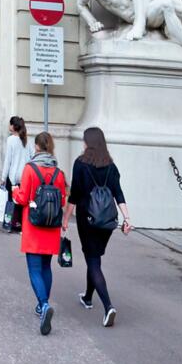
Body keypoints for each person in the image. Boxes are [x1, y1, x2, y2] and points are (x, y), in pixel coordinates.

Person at [62, 127, 133, 328]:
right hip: (108, 221)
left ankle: (108, 306)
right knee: (94, 257)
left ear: (88, 143)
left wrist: (66, 218)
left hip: (88, 218)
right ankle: (87, 297)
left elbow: (74, 195)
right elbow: (119, 194)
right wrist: (127, 218)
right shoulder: (110, 166)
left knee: (93, 261)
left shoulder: (80, 164)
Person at [12, 132, 67, 335]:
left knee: (34, 268)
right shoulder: (58, 173)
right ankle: (42, 305)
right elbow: (61, 200)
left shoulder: (30, 169)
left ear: (36, 147)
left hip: (33, 225)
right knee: (46, 267)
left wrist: (14, 191)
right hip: (51, 225)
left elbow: (23, 197)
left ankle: (43, 305)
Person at [0, 116, 31, 233]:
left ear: (13, 126)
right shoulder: (26, 140)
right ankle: (21, 225)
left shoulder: (11, 139)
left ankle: (11, 223)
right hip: (25, 176)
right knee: (22, 201)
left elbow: (8, 160)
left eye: (9, 124)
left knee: (11, 200)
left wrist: (3, 177)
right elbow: (31, 157)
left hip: (13, 175)